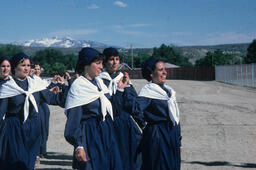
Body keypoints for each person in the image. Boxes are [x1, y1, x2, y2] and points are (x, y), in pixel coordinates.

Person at [0, 52, 67, 170]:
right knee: (15, 163)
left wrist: (67, 89)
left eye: (28, 65)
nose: (26, 68)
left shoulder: (35, 85)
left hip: (33, 129)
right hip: (14, 130)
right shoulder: (7, 87)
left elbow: (53, 99)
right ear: (15, 67)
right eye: (23, 65)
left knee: (28, 163)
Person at [64, 47, 123, 170]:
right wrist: (79, 145)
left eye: (102, 63)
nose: (102, 67)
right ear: (87, 65)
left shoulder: (100, 84)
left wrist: (120, 90)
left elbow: (112, 110)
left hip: (106, 133)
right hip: (90, 136)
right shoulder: (78, 87)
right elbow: (73, 122)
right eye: (98, 63)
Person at [123, 57, 182, 170]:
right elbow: (134, 108)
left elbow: (175, 118)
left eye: (164, 69)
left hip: (171, 135)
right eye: (160, 70)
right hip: (158, 136)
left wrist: (179, 141)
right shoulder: (149, 91)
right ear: (151, 73)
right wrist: (127, 88)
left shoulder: (168, 91)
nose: (165, 72)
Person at [98, 47, 143, 170]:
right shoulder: (99, 80)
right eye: (111, 59)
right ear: (105, 62)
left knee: (127, 155)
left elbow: (133, 105)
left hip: (123, 123)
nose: (115, 62)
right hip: (106, 123)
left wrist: (127, 87)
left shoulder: (123, 78)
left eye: (117, 59)